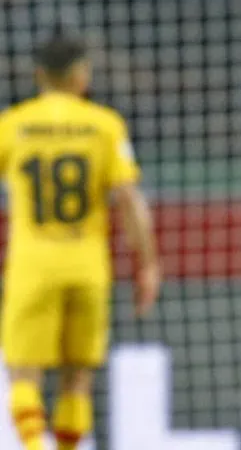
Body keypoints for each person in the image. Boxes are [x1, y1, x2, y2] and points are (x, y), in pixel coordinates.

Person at [0, 32, 160, 450]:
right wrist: (148, 265)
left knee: (23, 372)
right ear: (80, 74)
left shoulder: (13, 126)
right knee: (77, 375)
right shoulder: (105, 126)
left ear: (39, 74)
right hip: (87, 268)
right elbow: (129, 200)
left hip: (31, 267)